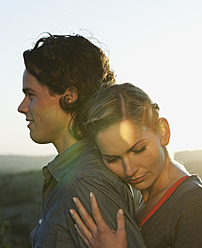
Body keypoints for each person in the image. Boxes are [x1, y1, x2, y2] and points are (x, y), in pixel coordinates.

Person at [17, 34, 146, 248]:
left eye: (31, 95)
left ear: (70, 95)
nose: (22, 107)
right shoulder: (75, 175)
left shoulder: (87, 182)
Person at [69, 83, 202, 248]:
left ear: (163, 131)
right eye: (112, 159)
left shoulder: (193, 202)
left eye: (138, 150)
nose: (129, 170)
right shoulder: (141, 200)